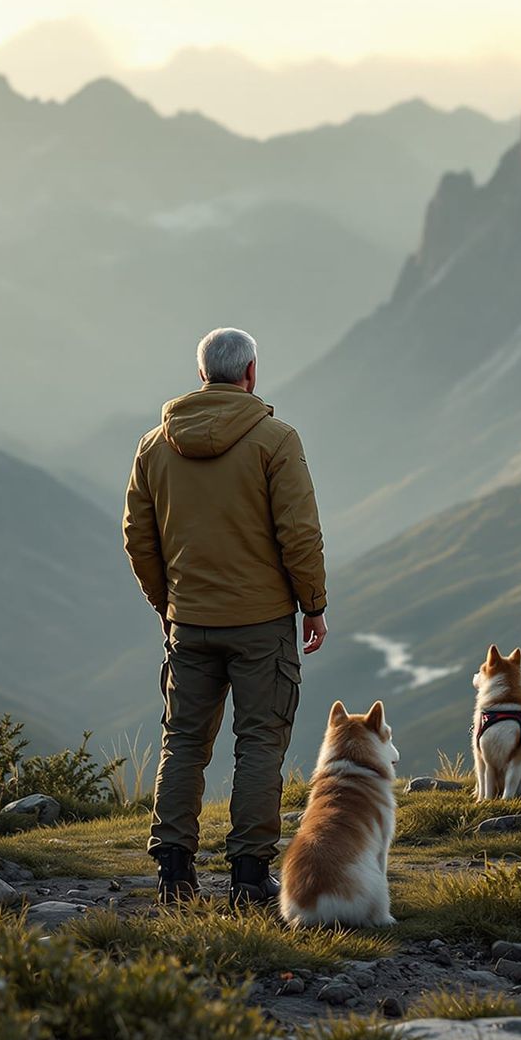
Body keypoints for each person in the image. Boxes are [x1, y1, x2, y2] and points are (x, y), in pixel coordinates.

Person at [122, 327, 327, 908]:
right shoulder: (275, 440)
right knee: (259, 744)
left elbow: (138, 537)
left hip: (189, 622)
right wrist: (313, 604)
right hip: (262, 624)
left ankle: (174, 873)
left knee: (183, 742)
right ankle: (248, 877)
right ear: (251, 373)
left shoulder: (154, 446)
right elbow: (299, 532)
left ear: (201, 375)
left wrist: (166, 602)